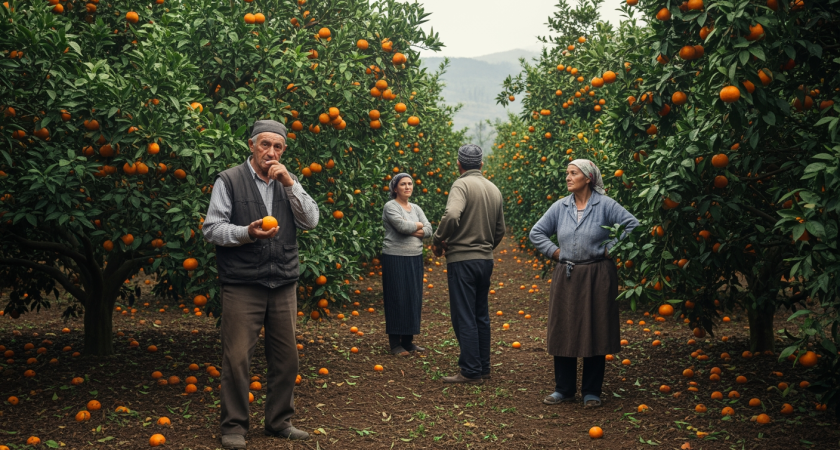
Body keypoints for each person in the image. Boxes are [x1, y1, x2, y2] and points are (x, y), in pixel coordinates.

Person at [203, 120, 319, 449]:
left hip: (282, 282)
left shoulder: (288, 181)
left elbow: (310, 220)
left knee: (287, 358)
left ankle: (279, 421)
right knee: (238, 357)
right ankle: (235, 427)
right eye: (265, 145)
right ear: (252, 145)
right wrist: (246, 233)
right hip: (243, 284)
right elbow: (212, 229)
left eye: (278, 147)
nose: (271, 152)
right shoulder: (229, 180)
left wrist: (291, 183)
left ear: (284, 150)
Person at [528, 159, 639, 407]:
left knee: (596, 328)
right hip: (567, 275)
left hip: (598, 275)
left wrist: (611, 248)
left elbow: (633, 226)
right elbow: (536, 232)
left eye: (573, 173)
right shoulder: (560, 207)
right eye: (567, 172)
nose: (568, 177)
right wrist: (555, 253)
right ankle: (564, 389)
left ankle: (591, 390)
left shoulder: (605, 205)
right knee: (564, 329)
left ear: (588, 178)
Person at [433, 144, 505, 384]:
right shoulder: (493, 189)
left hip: (462, 260)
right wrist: (485, 247)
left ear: (459, 164)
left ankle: (470, 371)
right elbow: (500, 229)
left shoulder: (461, 184)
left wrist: (439, 238)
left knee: (464, 314)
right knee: (480, 314)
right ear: (481, 165)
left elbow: (452, 215)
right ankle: (483, 367)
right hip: (485, 260)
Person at [381, 173, 433, 356]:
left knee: (413, 297)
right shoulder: (390, 206)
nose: (407, 187)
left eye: (410, 183)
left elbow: (429, 230)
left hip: (415, 257)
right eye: (403, 184)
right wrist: (417, 226)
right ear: (395, 188)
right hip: (394, 257)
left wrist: (413, 227)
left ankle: (408, 341)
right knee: (397, 297)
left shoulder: (416, 208)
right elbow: (401, 228)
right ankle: (395, 343)